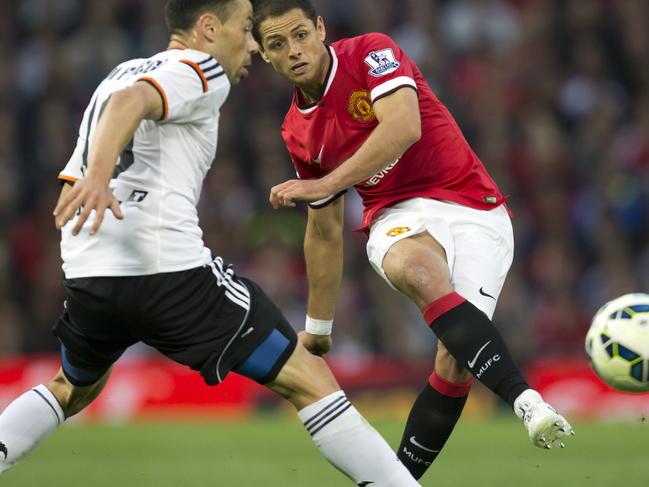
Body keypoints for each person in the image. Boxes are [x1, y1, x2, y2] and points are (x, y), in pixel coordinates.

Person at [0, 1, 421, 485]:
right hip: (166, 273)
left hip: (89, 269)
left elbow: (112, 120)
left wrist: (94, 182)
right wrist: (98, 175)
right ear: (207, 27)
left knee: (73, 385)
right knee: (308, 378)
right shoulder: (200, 68)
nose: (253, 45)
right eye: (246, 30)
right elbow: (132, 103)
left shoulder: (117, 72)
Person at [252, 0, 575, 480]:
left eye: (301, 34)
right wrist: (318, 327)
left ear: (320, 28)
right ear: (263, 55)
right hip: (396, 214)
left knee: (455, 361)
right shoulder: (298, 132)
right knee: (418, 271)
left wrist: (323, 184)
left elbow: (404, 126)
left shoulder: (370, 53)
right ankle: (527, 402)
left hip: (477, 210)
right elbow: (322, 228)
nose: (294, 50)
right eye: (278, 44)